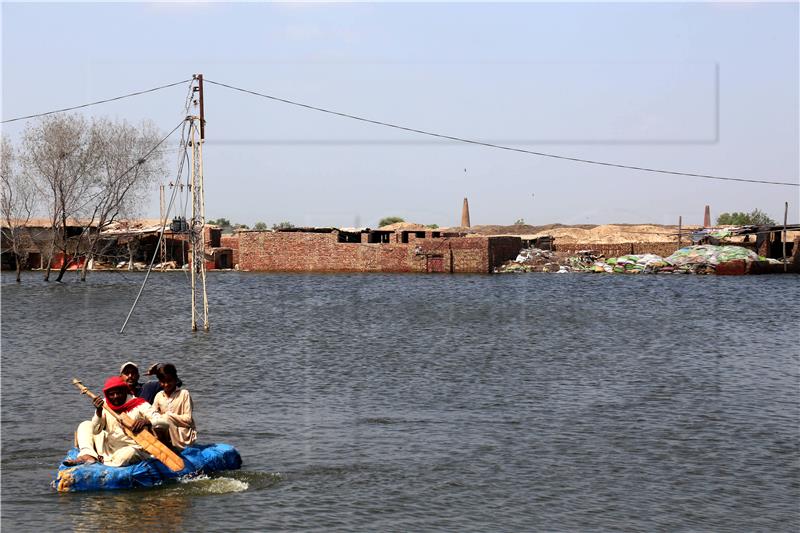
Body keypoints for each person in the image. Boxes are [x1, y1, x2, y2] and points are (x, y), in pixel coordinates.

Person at [67, 376, 168, 466]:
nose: (115, 396)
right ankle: (88, 455)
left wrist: (148, 422)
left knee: (129, 453)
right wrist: (98, 411)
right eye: (111, 394)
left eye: (118, 393)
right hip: (108, 448)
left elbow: (165, 422)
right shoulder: (104, 404)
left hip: (131, 448)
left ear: (125, 391)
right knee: (85, 425)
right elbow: (96, 430)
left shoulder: (139, 404)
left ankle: (108, 464)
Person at [152, 364, 197, 450]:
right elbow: (153, 414)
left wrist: (168, 417)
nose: (166, 384)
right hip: (165, 433)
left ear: (175, 380)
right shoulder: (159, 396)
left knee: (165, 418)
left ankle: (171, 447)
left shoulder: (184, 394)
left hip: (182, 435)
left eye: (169, 381)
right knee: (154, 422)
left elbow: (188, 419)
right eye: (163, 382)